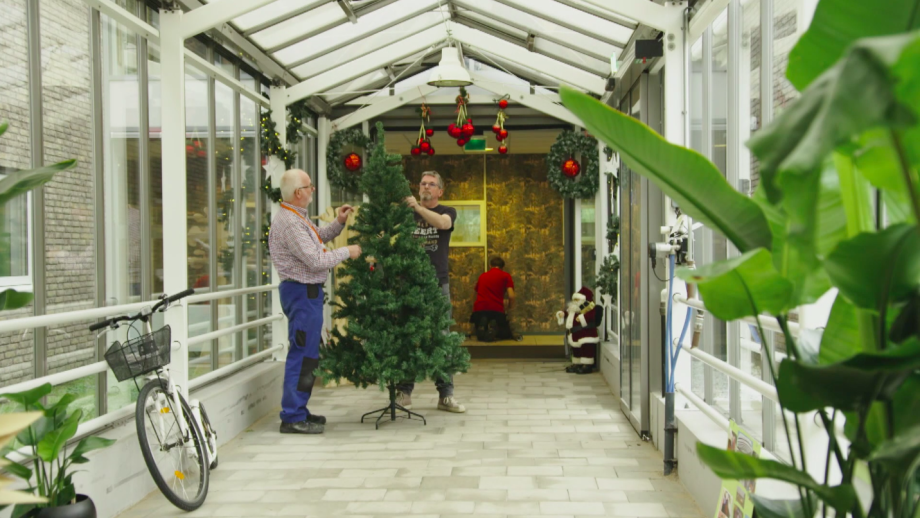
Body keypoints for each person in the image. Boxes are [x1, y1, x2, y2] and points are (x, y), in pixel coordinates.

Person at [269, 168, 361, 434]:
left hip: (306, 292)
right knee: (302, 355)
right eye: (310, 186)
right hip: (301, 293)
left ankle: (299, 409)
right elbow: (317, 259)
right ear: (299, 193)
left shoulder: (298, 218)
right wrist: (348, 251)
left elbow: (316, 240)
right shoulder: (289, 222)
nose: (312, 190)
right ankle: (292, 416)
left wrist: (339, 223)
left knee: (309, 354)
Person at [396, 171, 466, 413]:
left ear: (440, 191)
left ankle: (445, 396)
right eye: (422, 182)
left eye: (431, 184)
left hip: (438, 283)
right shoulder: (405, 214)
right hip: (409, 283)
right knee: (408, 337)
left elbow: (443, 224)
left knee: (442, 338)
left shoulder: (448, 211)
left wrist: (418, 208)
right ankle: (404, 393)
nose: (425, 186)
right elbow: (384, 234)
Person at [469, 256, 521, 342]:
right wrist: (510, 307)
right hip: (496, 309)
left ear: (490, 266)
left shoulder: (482, 276)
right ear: (502, 267)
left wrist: (474, 309)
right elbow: (511, 296)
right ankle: (494, 326)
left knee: (481, 334)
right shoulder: (506, 276)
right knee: (504, 334)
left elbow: (474, 295)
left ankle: (483, 326)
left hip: (479, 309)